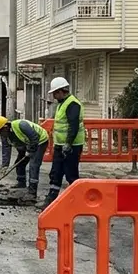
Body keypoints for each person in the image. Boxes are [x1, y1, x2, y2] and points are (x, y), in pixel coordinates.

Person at [44, 76, 85, 206]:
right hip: (60, 145)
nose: (54, 96)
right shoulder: (62, 104)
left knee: (71, 174)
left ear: (62, 91)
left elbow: (73, 126)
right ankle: (52, 200)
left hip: (72, 146)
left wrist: (68, 143)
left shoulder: (72, 104)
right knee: (56, 172)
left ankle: (78, 201)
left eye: (55, 93)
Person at [0, 114, 49, 201]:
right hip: (26, 144)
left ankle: (32, 192)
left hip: (40, 141)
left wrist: (30, 151)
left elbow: (35, 137)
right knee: (19, 163)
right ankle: (21, 182)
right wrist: (5, 166)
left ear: (6, 127)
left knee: (33, 165)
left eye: (1, 131)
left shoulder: (21, 125)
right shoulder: (5, 136)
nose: (0, 134)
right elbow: (6, 150)